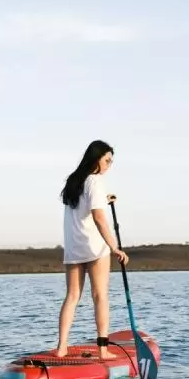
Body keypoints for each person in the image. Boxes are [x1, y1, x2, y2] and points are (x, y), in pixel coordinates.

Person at [57, 140, 129, 359]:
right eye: (107, 160)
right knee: (100, 296)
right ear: (96, 158)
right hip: (95, 247)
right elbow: (99, 218)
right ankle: (103, 349)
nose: (109, 165)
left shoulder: (73, 181)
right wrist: (114, 247)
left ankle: (61, 347)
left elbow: (84, 206)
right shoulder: (96, 181)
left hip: (73, 247)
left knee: (72, 297)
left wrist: (104, 200)